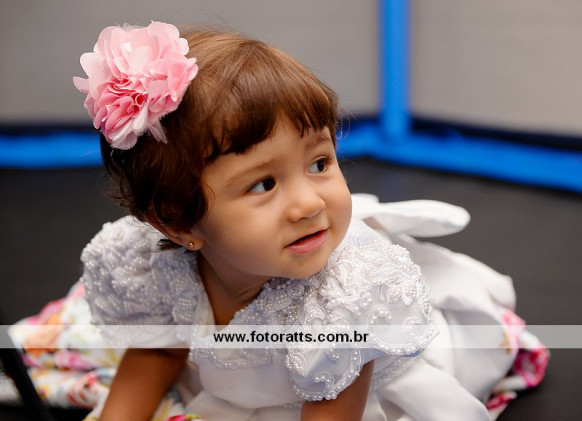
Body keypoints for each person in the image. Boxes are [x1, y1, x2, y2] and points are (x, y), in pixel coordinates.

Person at [71, 21, 547, 421]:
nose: (309, 204)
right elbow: (159, 350)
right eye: (264, 184)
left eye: (320, 163)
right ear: (178, 224)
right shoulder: (156, 269)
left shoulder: (345, 301)